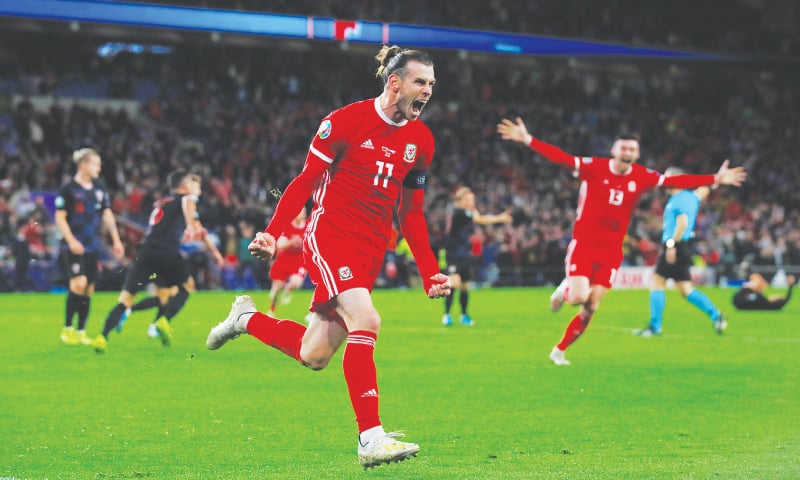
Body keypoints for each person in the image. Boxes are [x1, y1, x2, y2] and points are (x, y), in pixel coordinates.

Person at [206, 45, 451, 469]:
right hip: (331, 237)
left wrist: (430, 271)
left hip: (372, 249)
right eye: (420, 82)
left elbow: (411, 212)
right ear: (395, 83)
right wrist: (272, 232)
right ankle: (370, 438)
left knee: (313, 355)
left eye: (431, 83)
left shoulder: (421, 140)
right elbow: (304, 182)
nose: (428, 90)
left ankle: (244, 319)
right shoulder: (345, 121)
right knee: (367, 320)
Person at [497, 117, 746, 366]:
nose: (627, 152)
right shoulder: (594, 167)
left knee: (592, 305)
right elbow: (561, 157)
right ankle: (565, 290)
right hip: (584, 244)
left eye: (632, 149)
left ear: (637, 153)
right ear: (614, 150)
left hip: (612, 251)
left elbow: (674, 182)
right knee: (579, 298)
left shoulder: (641, 177)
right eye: (623, 147)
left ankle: (559, 350)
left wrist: (714, 179)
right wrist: (528, 139)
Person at [91, 170, 208, 352]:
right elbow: (189, 207)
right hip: (167, 251)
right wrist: (192, 224)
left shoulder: (161, 202)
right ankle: (162, 321)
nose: (196, 188)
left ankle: (102, 337)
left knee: (128, 299)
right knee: (187, 287)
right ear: (185, 186)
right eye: (194, 184)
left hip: (146, 251)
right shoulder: (186, 199)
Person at [633, 169, 727, 336]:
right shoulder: (691, 197)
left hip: (675, 246)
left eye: (668, 177)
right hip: (685, 247)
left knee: (657, 282)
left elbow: (682, 223)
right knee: (685, 289)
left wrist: (670, 245)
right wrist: (715, 180)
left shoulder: (677, 201)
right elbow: (704, 190)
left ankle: (655, 327)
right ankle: (716, 315)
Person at [54, 148, 124, 346]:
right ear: (83, 165)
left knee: (89, 288)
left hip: (93, 245)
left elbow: (107, 214)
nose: (99, 168)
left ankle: (81, 331)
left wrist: (116, 239)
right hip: (74, 245)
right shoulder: (68, 189)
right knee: (78, 282)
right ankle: (67, 329)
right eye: (95, 164)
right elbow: (60, 217)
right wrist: (71, 240)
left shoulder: (99, 188)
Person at [441, 186, 512, 326]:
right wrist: (500, 218)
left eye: (472, 199)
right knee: (454, 283)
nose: (470, 201)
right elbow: (481, 219)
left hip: (464, 254)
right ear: (460, 200)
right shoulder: (458, 212)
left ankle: (464, 315)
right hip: (453, 254)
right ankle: (447, 315)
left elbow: (477, 217)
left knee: (465, 286)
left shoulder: (466, 212)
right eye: (467, 199)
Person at [267, 208, 308, 316]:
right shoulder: (287, 225)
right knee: (276, 289)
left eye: (304, 211)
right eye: (300, 211)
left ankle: (288, 288)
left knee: (297, 283)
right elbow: (280, 245)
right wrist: (291, 242)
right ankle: (271, 310)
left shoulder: (309, 225)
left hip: (299, 259)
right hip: (284, 258)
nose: (303, 214)